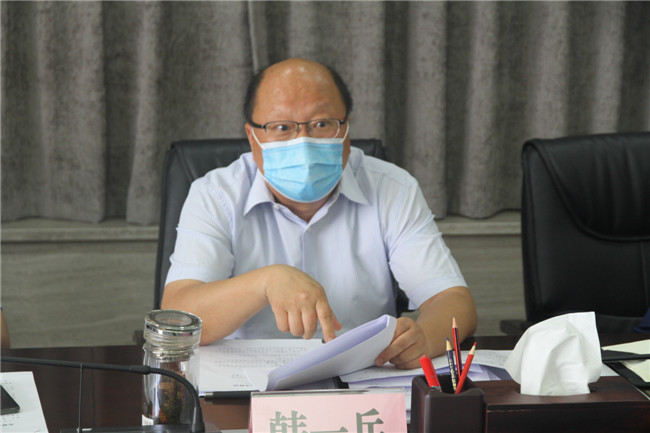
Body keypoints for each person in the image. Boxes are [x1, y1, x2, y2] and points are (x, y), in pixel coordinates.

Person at [162, 58, 477, 369]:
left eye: (322, 124)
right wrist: (265, 282)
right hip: (248, 383)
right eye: (282, 127)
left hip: (362, 377)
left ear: (346, 128)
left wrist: (424, 337)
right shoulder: (215, 195)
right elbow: (178, 317)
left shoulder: (392, 188)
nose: (304, 142)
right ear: (252, 136)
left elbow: (453, 301)